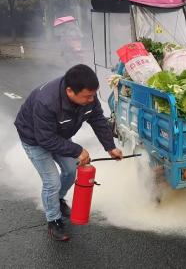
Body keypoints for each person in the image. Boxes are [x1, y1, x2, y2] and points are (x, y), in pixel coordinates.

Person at [14, 64, 123, 241]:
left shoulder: (89, 97)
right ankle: (54, 221)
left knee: (72, 171)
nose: (92, 99)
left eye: (93, 95)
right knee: (52, 181)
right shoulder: (46, 101)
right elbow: (45, 139)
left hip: (60, 136)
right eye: (87, 96)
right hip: (34, 139)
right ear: (70, 91)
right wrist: (77, 150)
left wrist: (110, 147)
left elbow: (97, 120)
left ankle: (57, 199)